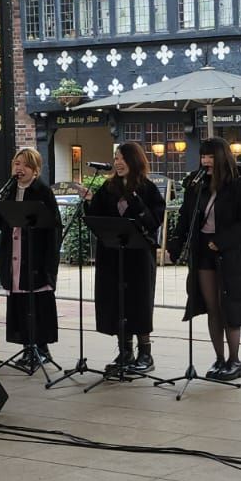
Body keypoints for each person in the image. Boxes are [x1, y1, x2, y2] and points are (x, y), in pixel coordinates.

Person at [169, 136, 241, 381]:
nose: (206, 161)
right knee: (213, 308)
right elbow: (185, 217)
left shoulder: (239, 184)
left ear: (221, 157)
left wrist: (224, 241)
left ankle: (234, 360)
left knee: (229, 307)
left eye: (210, 156)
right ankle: (219, 359)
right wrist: (175, 246)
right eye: (203, 156)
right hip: (203, 252)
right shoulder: (196, 184)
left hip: (229, 254)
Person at [83, 142, 166, 373]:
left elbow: (153, 221)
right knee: (117, 301)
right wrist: (88, 202)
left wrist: (136, 201)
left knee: (138, 301)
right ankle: (125, 351)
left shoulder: (148, 188)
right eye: (116, 158)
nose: (118, 163)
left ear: (134, 161)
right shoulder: (108, 187)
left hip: (138, 255)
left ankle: (145, 353)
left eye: (122, 159)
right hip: (112, 254)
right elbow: (96, 221)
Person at [0, 147, 63, 369]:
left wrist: (49, 264)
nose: (20, 168)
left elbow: (53, 227)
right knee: (19, 302)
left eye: (25, 164)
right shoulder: (10, 191)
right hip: (14, 253)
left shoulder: (43, 192)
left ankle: (41, 348)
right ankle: (27, 347)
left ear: (35, 169)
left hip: (35, 256)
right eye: (16, 164)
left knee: (36, 302)